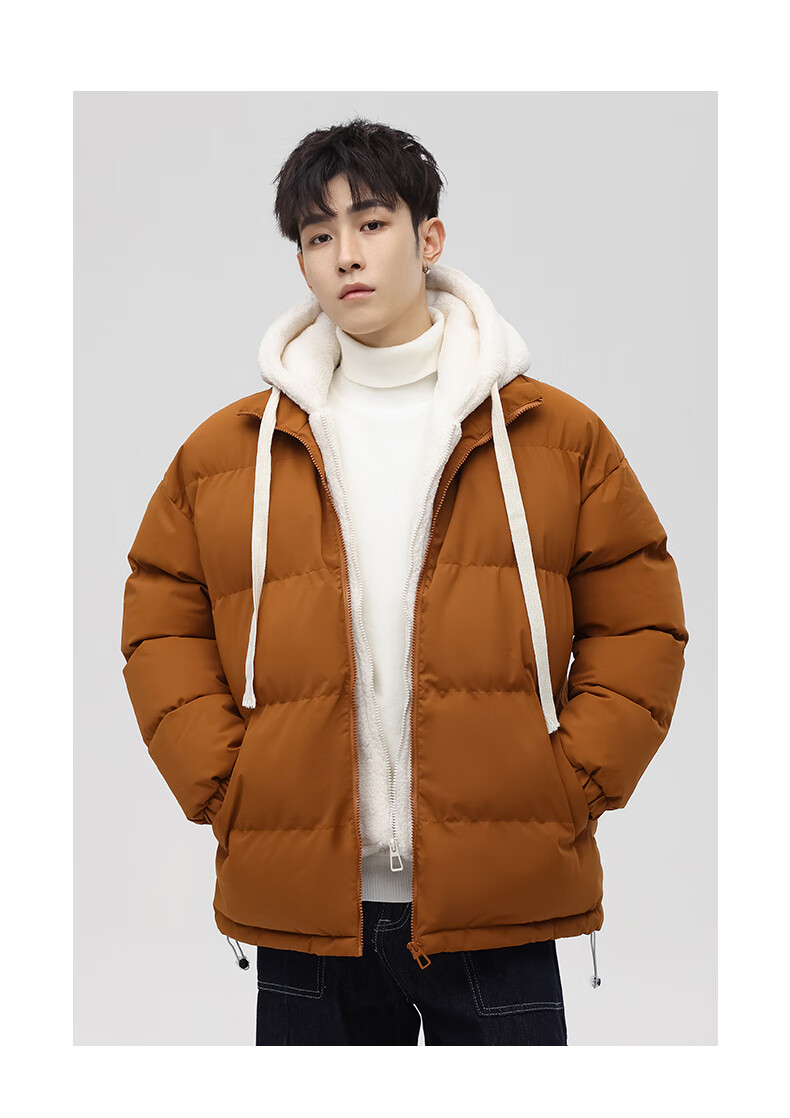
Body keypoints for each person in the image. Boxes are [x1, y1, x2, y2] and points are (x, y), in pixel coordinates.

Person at [120, 117, 689, 1046]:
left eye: (372, 223)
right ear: (302, 263)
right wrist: (229, 787)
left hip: (498, 902)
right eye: (319, 235)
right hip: (308, 908)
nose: (346, 254)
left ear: (429, 239)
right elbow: (161, 624)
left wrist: (568, 784)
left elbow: (641, 622)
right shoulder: (226, 455)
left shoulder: (557, 438)